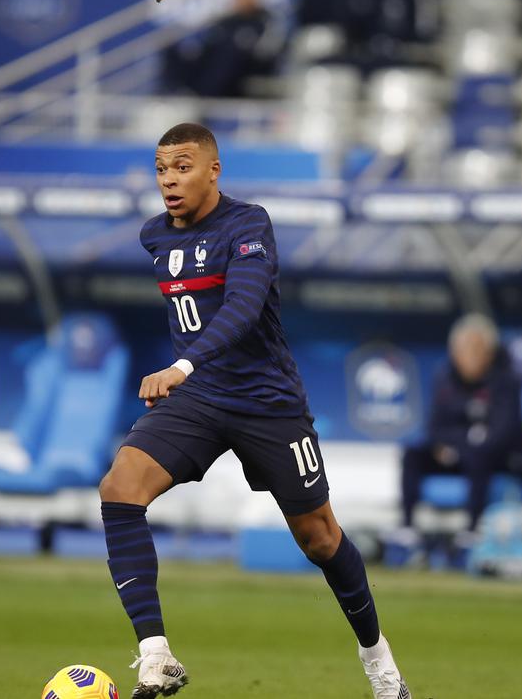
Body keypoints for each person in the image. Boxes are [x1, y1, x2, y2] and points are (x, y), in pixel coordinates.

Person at [98, 123, 411, 699]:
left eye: (183, 166)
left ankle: (381, 665)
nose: (170, 179)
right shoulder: (154, 237)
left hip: (268, 403)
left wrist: (182, 366)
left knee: (319, 537)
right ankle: (155, 654)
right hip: (198, 400)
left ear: (214, 171)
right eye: (162, 168)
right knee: (120, 488)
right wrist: (190, 376)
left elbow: (242, 306)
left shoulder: (248, 224)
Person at [399, 313, 522, 535]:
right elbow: (434, 428)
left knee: (479, 452)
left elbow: (504, 434)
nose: (469, 356)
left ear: (489, 352)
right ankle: (407, 528)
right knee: (413, 453)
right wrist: (452, 445)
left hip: (495, 459)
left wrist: (461, 444)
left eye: (476, 349)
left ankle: (472, 530)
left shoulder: (506, 381)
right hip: (453, 454)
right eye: (462, 349)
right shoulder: (445, 379)